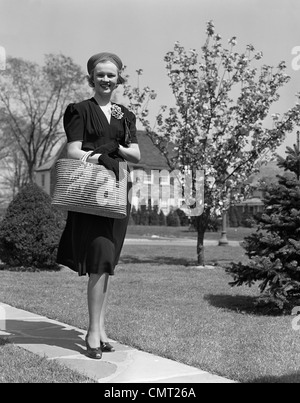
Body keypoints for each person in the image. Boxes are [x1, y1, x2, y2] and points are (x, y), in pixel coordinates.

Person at [57, 52, 141, 359]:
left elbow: (136, 155)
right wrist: (99, 157)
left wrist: (115, 147)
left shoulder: (124, 115)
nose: (106, 79)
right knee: (98, 261)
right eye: (100, 74)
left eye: (112, 75)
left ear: (119, 78)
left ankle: (101, 329)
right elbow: (72, 149)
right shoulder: (79, 110)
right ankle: (92, 334)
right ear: (91, 77)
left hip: (118, 192)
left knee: (107, 265)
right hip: (90, 193)